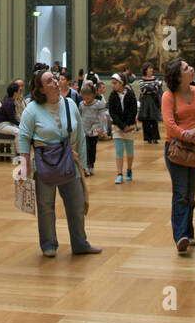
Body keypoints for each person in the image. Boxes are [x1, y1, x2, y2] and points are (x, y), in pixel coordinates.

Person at [18, 68, 101, 258]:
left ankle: (80, 243)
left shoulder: (70, 104)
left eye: (55, 79)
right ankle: (49, 244)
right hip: (44, 163)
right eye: (49, 81)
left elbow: (79, 135)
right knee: (46, 206)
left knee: (76, 203)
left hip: (69, 162)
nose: (55, 82)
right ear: (41, 89)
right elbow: (23, 137)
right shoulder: (32, 109)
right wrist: (24, 165)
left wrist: (83, 165)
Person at [160, 58, 195, 253]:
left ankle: (188, 233)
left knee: (190, 194)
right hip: (176, 149)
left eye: (189, 66)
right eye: (186, 68)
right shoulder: (168, 96)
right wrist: (190, 136)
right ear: (178, 76)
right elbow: (170, 126)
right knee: (181, 192)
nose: (191, 68)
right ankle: (180, 236)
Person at [107, 72, 138, 183]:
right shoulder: (112, 96)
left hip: (129, 127)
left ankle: (129, 169)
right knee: (119, 151)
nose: (113, 85)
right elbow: (112, 112)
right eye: (112, 83)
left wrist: (127, 125)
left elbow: (133, 110)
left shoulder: (130, 94)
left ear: (122, 83)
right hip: (117, 127)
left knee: (129, 151)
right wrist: (121, 126)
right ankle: (119, 173)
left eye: (115, 83)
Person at [77, 81, 108, 175]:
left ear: (93, 95)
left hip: (95, 129)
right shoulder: (82, 104)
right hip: (84, 129)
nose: (86, 99)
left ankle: (91, 165)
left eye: (88, 96)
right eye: (84, 97)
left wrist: (101, 129)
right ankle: (85, 166)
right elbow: (80, 116)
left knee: (92, 148)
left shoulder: (98, 104)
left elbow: (102, 117)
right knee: (85, 148)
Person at [138, 64, 162, 143]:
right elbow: (143, 89)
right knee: (146, 119)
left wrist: (150, 88)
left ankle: (155, 137)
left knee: (154, 119)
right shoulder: (141, 79)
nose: (151, 70)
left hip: (153, 99)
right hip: (145, 100)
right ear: (145, 70)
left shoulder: (155, 78)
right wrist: (151, 87)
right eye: (149, 68)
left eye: (152, 68)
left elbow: (156, 89)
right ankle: (148, 138)